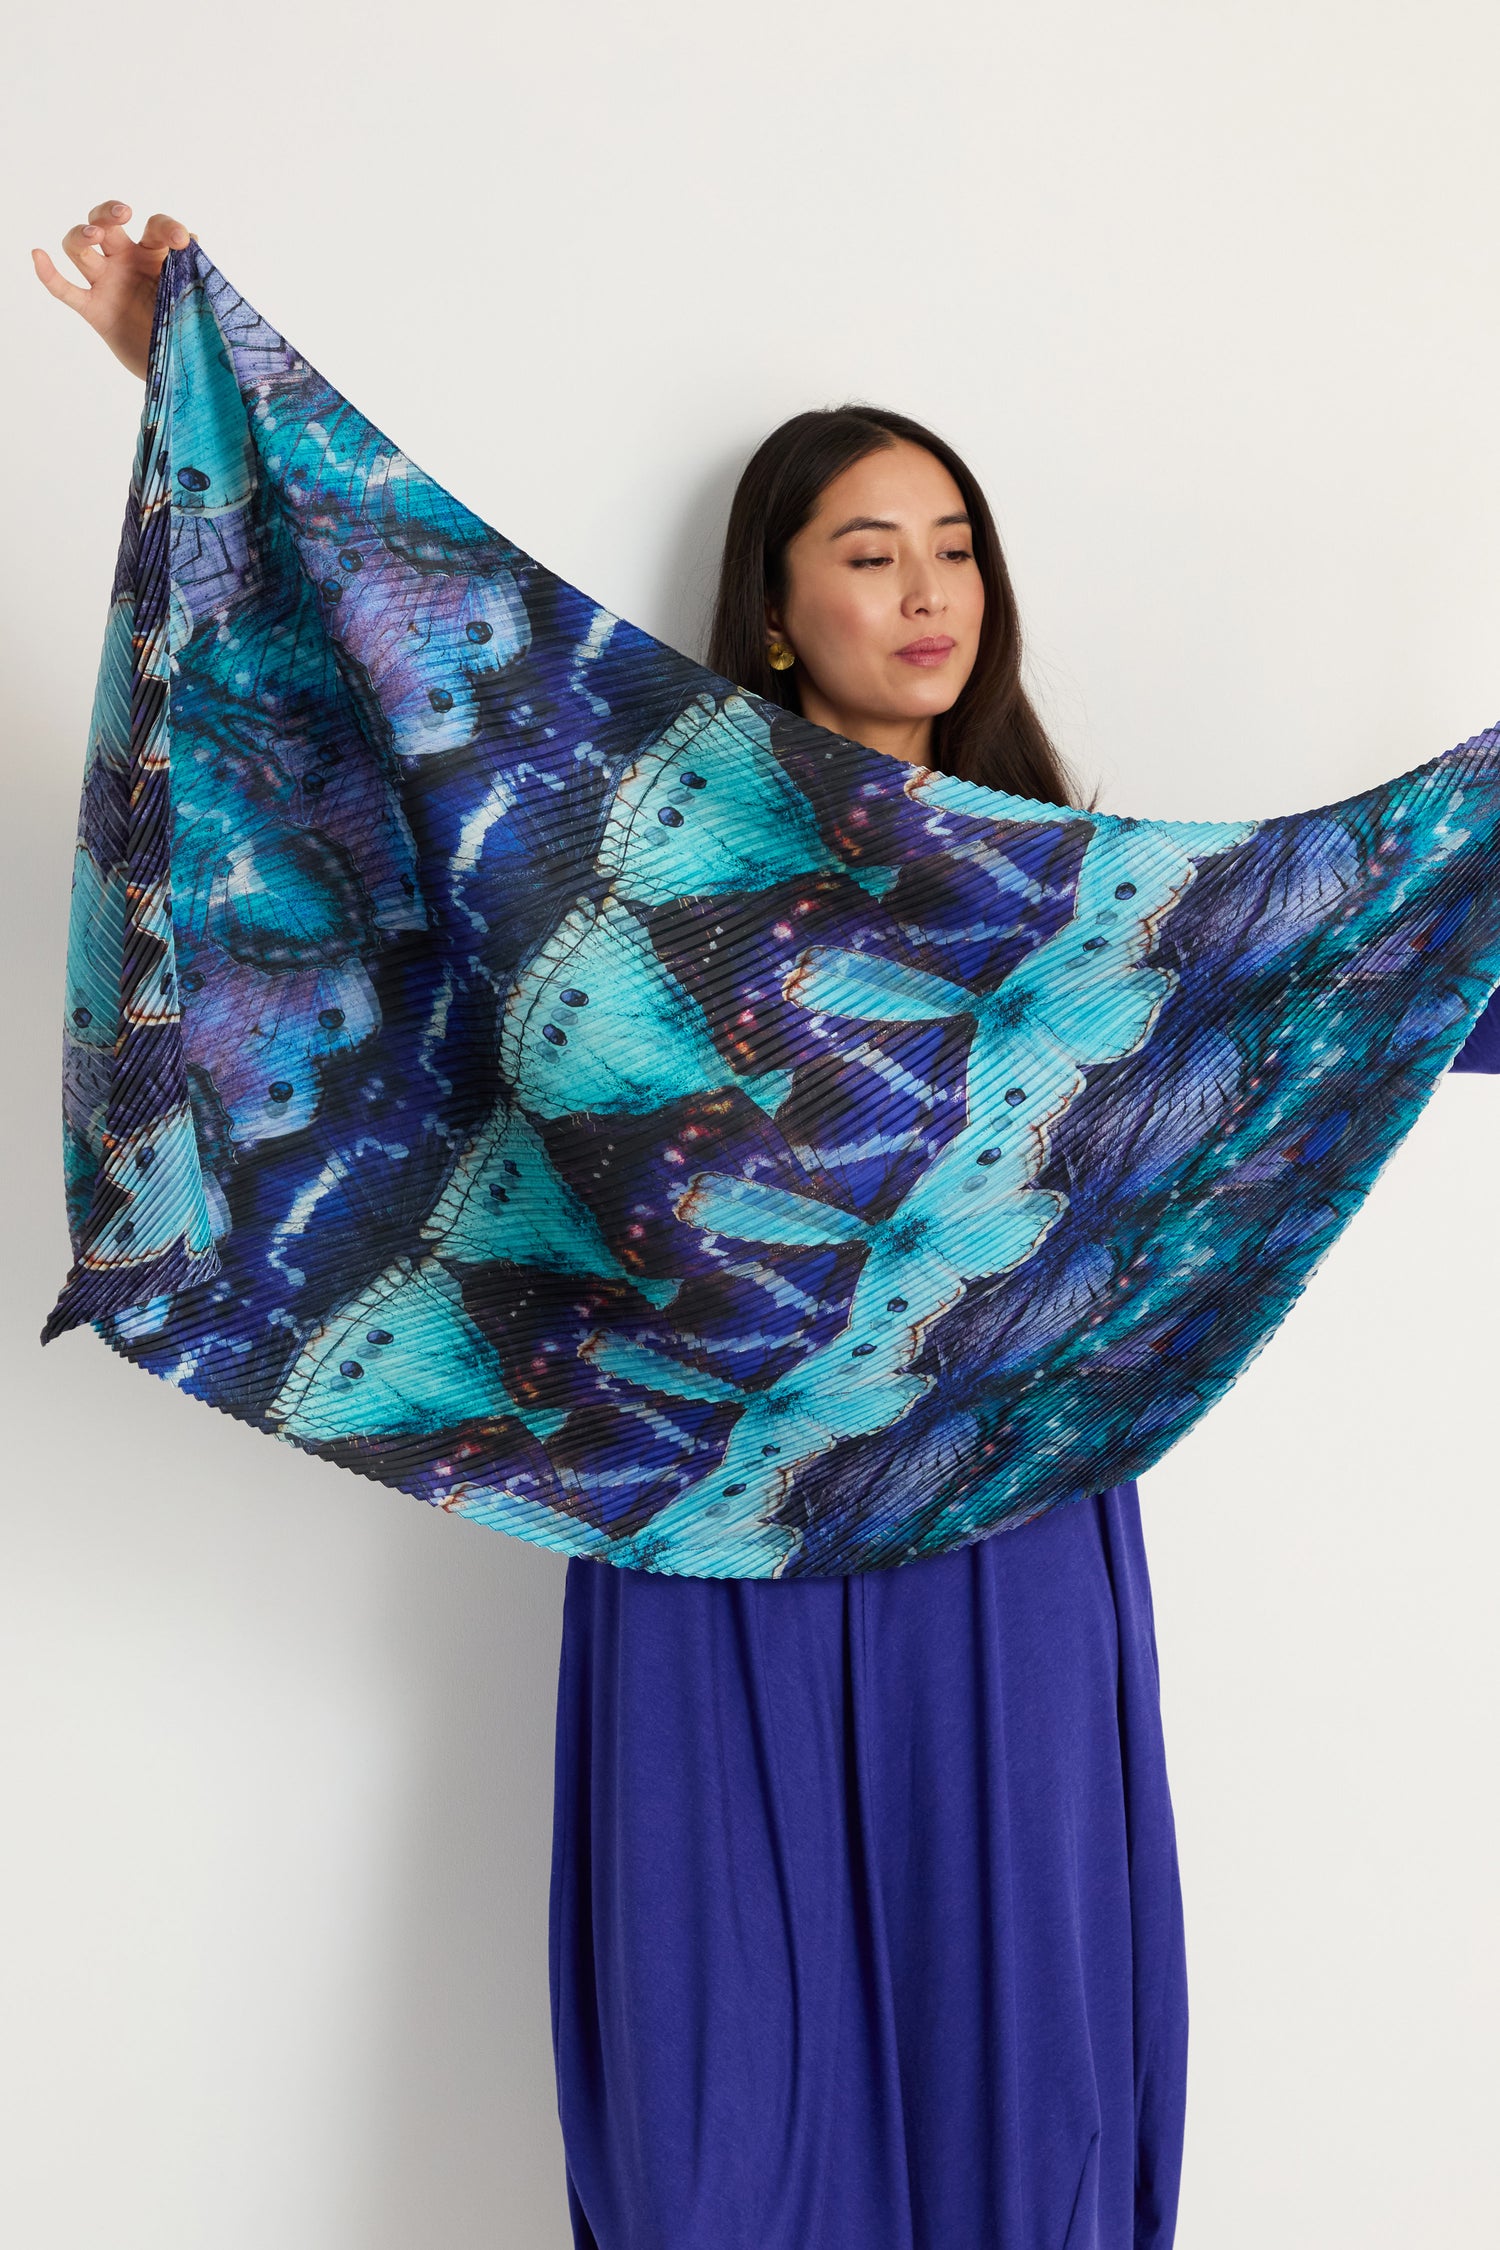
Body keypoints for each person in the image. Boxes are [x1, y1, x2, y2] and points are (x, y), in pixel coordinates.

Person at [35, 201, 1500, 2250]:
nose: (929, 591)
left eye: (957, 546)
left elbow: (1383, 975)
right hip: (700, 1536)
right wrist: (191, 399)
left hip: (1008, 1535)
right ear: (778, 609)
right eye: (869, 552)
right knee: (722, 2125)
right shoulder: (651, 851)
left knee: (1029, 2077)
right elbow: (391, 698)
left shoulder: (1081, 906)